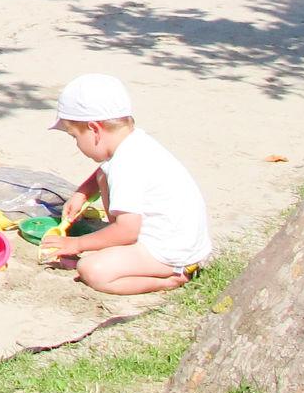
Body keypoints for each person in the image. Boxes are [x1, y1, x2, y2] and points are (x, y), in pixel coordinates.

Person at [46, 73, 209, 295]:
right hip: (179, 238)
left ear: (94, 129)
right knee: (103, 174)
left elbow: (127, 231)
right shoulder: (134, 143)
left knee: (92, 270)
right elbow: (104, 170)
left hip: (169, 252)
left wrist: (77, 244)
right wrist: (83, 193)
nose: (76, 143)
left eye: (75, 136)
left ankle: (171, 279)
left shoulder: (126, 165)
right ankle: (129, 257)